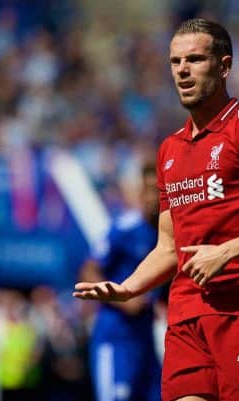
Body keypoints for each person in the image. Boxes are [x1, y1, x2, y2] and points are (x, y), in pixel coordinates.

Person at [74, 18, 239, 401]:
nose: (183, 70)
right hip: (187, 315)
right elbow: (169, 247)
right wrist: (128, 287)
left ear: (224, 67)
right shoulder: (169, 151)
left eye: (195, 59)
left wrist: (226, 251)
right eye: (175, 62)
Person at [78, 164, 163, 401]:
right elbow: (88, 271)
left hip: (145, 339)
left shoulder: (169, 234)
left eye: (158, 190)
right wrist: (124, 298)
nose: (152, 197)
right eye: (147, 190)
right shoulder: (125, 228)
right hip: (115, 336)